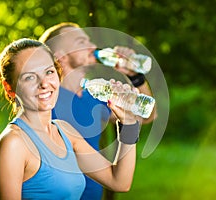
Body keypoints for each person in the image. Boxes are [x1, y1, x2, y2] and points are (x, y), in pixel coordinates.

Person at [0, 38, 141, 199]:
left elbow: (119, 181)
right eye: (29, 77)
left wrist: (128, 122)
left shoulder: (65, 131)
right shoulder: (14, 143)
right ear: (9, 88)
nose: (44, 83)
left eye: (49, 72)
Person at [39, 22, 157, 200]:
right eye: (81, 42)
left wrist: (134, 76)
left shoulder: (95, 95)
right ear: (60, 56)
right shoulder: (46, 101)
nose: (92, 47)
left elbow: (148, 115)